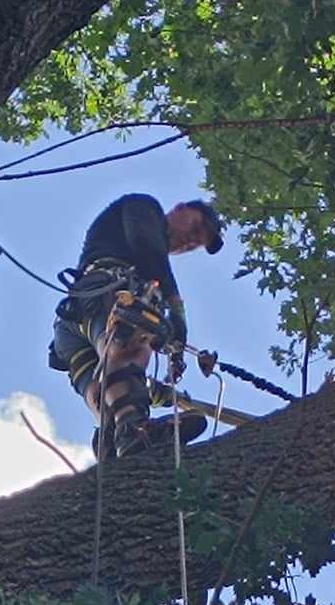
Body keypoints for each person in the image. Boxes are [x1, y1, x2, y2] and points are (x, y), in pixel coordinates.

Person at [48, 194, 224, 460]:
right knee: (132, 341)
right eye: (196, 229)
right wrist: (176, 311)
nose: (191, 241)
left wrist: (166, 389)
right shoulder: (144, 206)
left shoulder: (145, 262)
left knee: (100, 387)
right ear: (180, 208)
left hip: (76, 320)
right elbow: (147, 246)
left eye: (195, 245)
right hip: (105, 296)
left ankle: (111, 437)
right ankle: (133, 431)